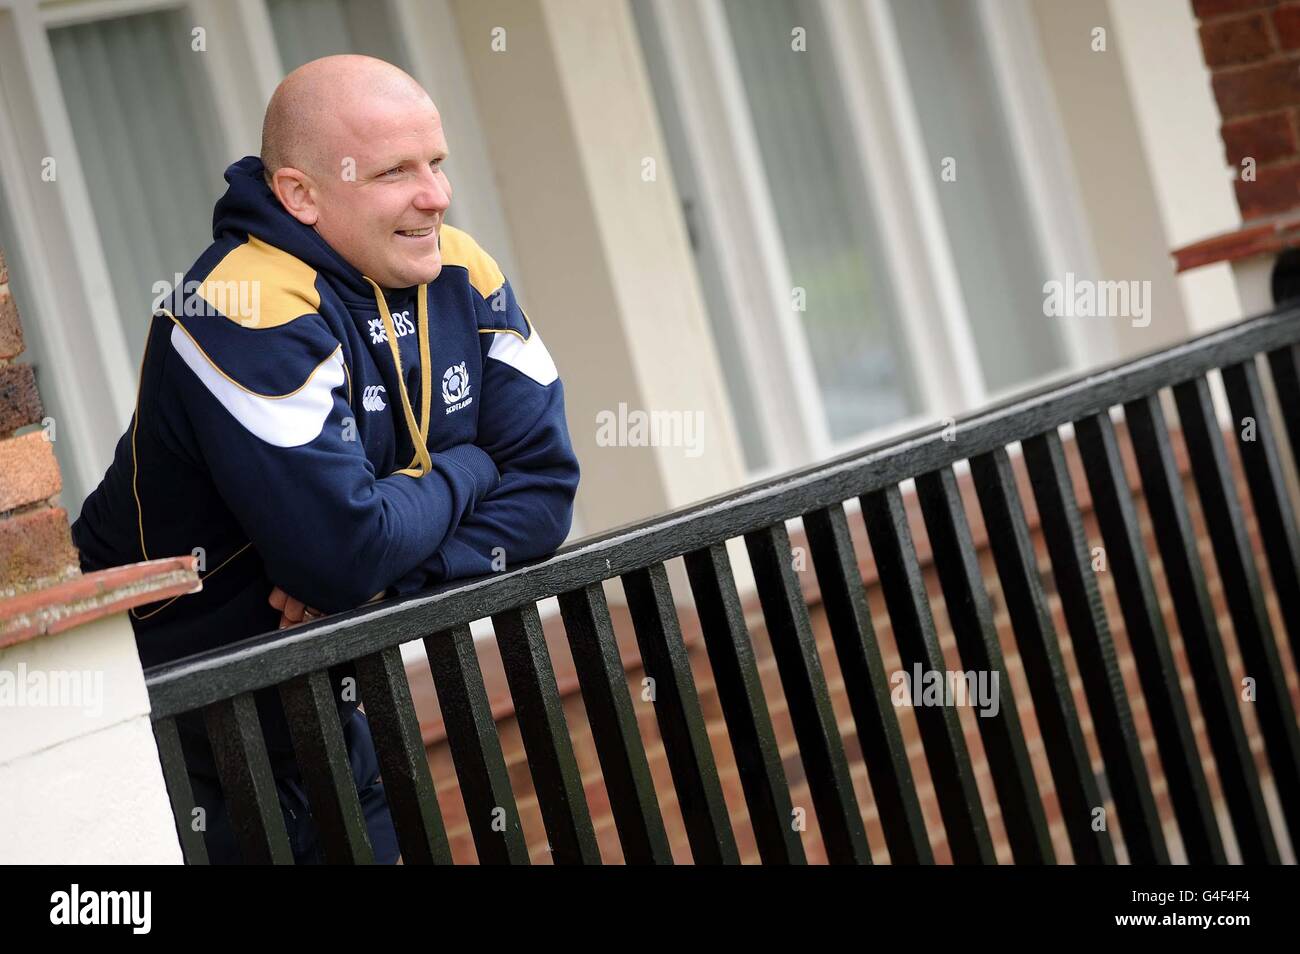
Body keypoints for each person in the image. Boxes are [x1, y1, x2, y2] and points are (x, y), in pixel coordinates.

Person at [70, 54, 581, 863]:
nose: (436, 196)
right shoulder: (239, 300)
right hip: (167, 739)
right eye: (395, 172)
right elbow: (342, 549)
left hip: (325, 706)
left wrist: (388, 573)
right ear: (300, 195)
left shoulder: (459, 268)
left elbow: (547, 492)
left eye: (437, 163)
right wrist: (471, 469)